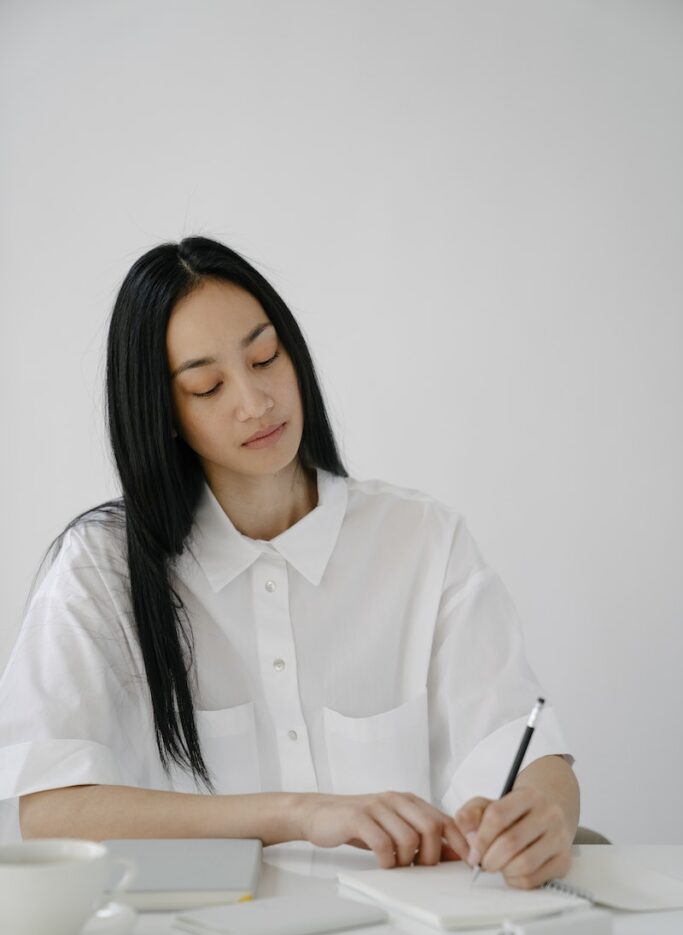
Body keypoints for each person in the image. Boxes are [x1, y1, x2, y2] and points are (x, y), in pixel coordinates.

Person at [0, 236, 579, 888]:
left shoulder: (420, 539)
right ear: (164, 413)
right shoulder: (101, 571)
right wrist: (302, 814)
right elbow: (51, 809)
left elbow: (519, 743)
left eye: (264, 357)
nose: (254, 401)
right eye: (208, 385)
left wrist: (546, 813)